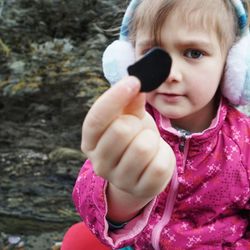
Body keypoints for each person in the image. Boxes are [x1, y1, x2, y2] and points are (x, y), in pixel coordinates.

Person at [62, 0, 250, 249]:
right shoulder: (130, 123)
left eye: (194, 53)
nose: (171, 74)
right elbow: (88, 198)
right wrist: (124, 195)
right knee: (80, 238)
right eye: (153, 54)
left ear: (231, 66)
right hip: (135, 242)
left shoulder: (244, 141)